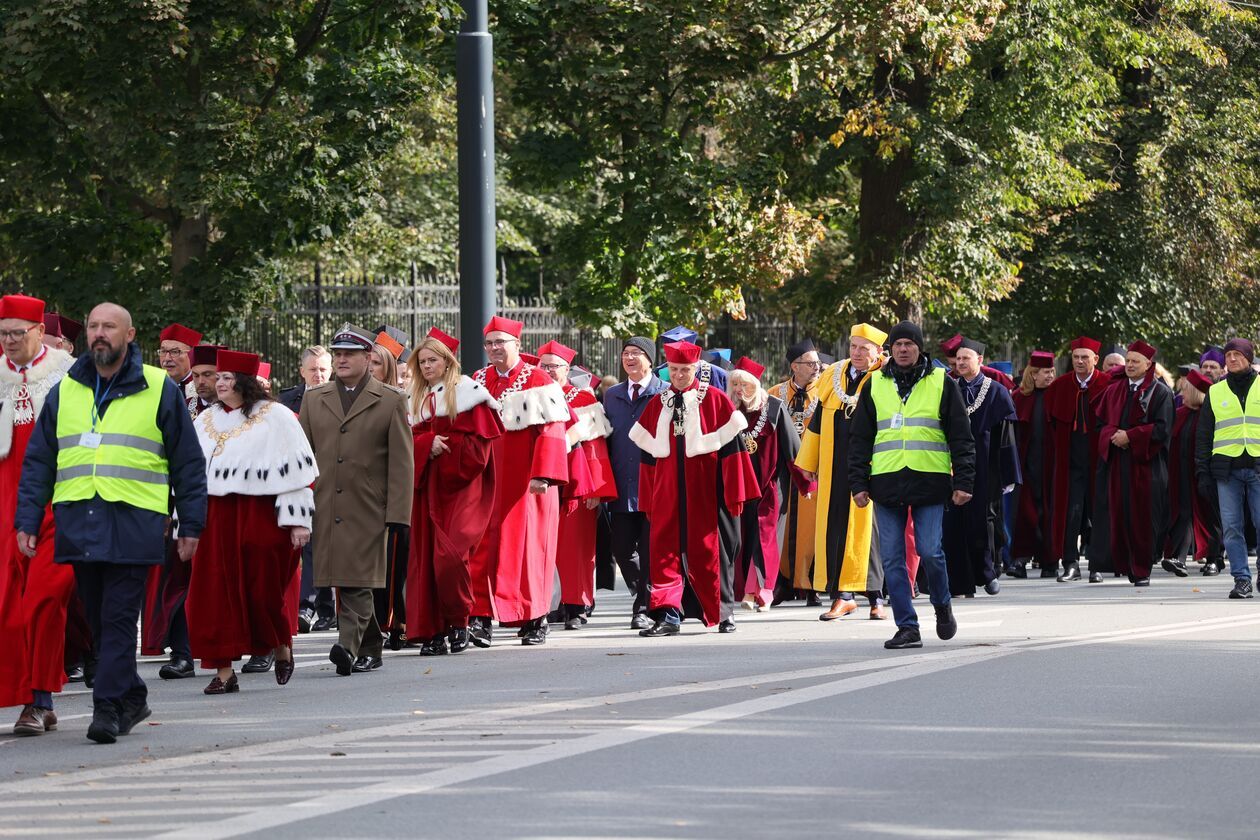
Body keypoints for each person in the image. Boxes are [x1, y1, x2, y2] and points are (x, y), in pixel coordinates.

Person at [16, 302, 206, 744]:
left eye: (109, 327)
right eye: (94, 326)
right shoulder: (66, 389)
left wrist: (191, 524)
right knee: (99, 622)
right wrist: (28, 519)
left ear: (130, 335)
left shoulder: (157, 387)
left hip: (135, 522)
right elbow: (40, 459)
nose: (100, 333)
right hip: (79, 522)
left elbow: (187, 462)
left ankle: (106, 707)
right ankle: (133, 697)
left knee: (119, 618)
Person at [185, 350, 315, 694]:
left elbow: (298, 472)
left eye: (227, 378)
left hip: (260, 513)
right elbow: (188, 473)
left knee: (262, 590)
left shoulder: (277, 416)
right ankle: (223, 672)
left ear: (244, 381)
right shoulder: (205, 419)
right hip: (214, 516)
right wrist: (184, 519)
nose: (220, 383)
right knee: (213, 592)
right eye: (218, 378)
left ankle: (281, 644)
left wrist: (298, 520)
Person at [848, 321, 975, 649]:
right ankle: (907, 627)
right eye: (898, 345)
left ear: (920, 348)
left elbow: (961, 436)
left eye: (909, 344)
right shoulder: (875, 383)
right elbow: (860, 438)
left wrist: (964, 480)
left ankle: (942, 605)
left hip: (929, 480)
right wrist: (858, 483)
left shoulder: (941, 382)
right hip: (886, 481)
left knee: (930, 551)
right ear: (890, 349)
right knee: (892, 558)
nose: (903, 349)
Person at [299, 324, 413, 674]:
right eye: (337, 354)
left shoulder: (391, 399)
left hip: (369, 505)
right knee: (344, 578)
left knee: (359, 578)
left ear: (368, 357)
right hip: (327, 503)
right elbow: (302, 456)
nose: (342, 360)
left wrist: (398, 514)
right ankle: (371, 646)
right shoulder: (314, 398)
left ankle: (346, 646)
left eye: (349, 354)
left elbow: (402, 462)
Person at [631, 340, 758, 636]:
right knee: (665, 555)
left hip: (710, 496)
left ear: (696, 369)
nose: (678, 375)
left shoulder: (716, 400)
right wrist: (647, 499)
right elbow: (647, 459)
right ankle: (668, 616)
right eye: (673, 370)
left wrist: (735, 494)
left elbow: (734, 453)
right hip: (667, 496)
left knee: (716, 555)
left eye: (684, 370)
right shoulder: (657, 404)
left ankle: (723, 613)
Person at [0, 295, 77, 736]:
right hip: (6, 505)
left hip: (60, 503)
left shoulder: (70, 376)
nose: (9, 341)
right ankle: (31, 697)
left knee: (44, 601)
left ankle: (39, 699)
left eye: (17, 333)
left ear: (39, 331)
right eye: (3, 333)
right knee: (9, 609)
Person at [468, 317, 569, 647]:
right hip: (486, 480)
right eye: (489, 343)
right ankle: (480, 617)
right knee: (481, 549)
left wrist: (543, 474)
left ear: (517, 345)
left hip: (527, 481)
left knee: (529, 550)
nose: (494, 348)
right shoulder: (478, 380)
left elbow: (552, 430)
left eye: (501, 342)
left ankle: (535, 617)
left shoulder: (538, 379)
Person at [406, 329, 502, 655]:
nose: (426, 366)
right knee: (426, 562)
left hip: (461, 489)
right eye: (422, 362)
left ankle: (460, 621)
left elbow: (478, 450)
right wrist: (425, 444)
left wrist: (438, 449)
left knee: (450, 557)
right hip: (426, 488)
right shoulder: (414, 398)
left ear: (447, 362)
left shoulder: (468, 393)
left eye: (432, 360)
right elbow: (405, 442)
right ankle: (435, 631)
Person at [796, 324, 890, 621]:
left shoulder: (887, 376)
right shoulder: (833, 374)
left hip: (873, 463)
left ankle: (876, 596)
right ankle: (842, 596)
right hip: (835, 461)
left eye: (864, 348)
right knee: (835, 525)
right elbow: (817, 420)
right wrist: (809, 462)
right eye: (853, 346)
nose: (857, 353)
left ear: (878, 351)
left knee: (870, 531)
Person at [536, 340, 616, 630]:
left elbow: (595, 447)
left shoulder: (581, 398)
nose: (548, 370)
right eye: (543, 365)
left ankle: (577, 605)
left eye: (553, 366)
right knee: (546, 547)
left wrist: (595, 489)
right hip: (544, 482)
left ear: (567, 369)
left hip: (577, 483)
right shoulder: (534, 395)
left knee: (577, 549)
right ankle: (553, 604)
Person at [142, 323, 204, 679]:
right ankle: (179, 649)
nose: (167, 358)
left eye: (175, 352)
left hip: (194, 493)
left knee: (191, 575)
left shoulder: (205, 394)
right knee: (169, 577)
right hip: (157, 494)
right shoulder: (151, 390)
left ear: (191, 355)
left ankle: (189, 650)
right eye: (163, 352)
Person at [728, 357, 808, 612]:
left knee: (764, 536)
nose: (739, 390)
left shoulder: (774, 408)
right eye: (735, 384)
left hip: (770, 485)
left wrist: (805, 482)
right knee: (743, 537)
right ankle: (747, 591)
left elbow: (793, 448)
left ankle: (758, 591)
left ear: (755, 384)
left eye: (744, 384)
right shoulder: (730, 410)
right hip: (740, 486)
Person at [943, 339, 1020, 597]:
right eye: (958, 359)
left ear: (980, 360)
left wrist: (1008, 474)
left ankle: (987, 573)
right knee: (954, 522)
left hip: (987, 465)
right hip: (953, 463)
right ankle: (959, 583)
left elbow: (1007, 438)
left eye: (966, 358)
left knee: (982, 521)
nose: (961, 363)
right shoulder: (948, 388)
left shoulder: (996, 391)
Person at [1096, 340, 1174, 586]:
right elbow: (1101, 424)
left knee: (1144, 518)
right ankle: (1126, 564)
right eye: (1128, 361)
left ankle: (1142, 569)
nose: (1129, 365)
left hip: (1148, 465)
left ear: (1148, 365)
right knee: (1120, 513)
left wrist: (1131, 436)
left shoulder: (1160, 392)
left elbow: (1163, 430)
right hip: (1119, 464)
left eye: (1135, 362)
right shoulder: (1114, 390)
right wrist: (1113, 435)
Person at [603, 337, 667, 629]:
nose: (629, 358)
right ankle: (648, 595)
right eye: (626, 353)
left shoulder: (664, 393)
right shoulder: (612, 395)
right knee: (621, 548)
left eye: (636, 353)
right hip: (622, 485)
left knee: (651, 551)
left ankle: (642, 608)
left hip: (654, 485)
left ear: (650, 360)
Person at [1042, 336, 1111, 583]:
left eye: (1085, 357)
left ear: (1096, 359)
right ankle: (1070, 563)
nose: (1080, 361)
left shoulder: (1108, 384)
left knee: (1099, 511)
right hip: (1069, 461)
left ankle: (1096, 565)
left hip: (1099, 460)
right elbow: (1050, 425)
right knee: (1070, 512)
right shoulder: (1060, 386)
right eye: (1076, 357)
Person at [1196, 338, 1260, 599]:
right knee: (1232, 528)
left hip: (1258, 466)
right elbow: (1204, 435)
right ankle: (1242, 579)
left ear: (1249, 357)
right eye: (1228, 355)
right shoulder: (1216, 392)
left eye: (1237, 354)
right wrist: (1202, 471)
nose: (1232, 359)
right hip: (1226, 471)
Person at [278, 346, 334, 633]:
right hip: (300, 479)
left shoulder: (342, 398)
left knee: (328, 543)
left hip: (332, 478)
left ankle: (325, 607)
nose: (318, 375)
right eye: (313, 369)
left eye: (323, 369)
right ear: (302, 371)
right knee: (308, 543)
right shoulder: (286, 401)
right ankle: (309, 606)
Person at [767, 339, 823, 606]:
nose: (817, 367)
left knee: (811, 528)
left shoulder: (825, 392)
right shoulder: (774, 394)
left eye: (817, 363)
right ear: (794, 366)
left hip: (814, 469)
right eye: (810, 363)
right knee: (783, 525)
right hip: (783, 470)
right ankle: (783, 582)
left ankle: (811, 584)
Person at [368, 335, 409, 650]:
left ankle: (397, 623)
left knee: (394, 562)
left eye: (376, 362)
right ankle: (370, 624)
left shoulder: (399, 399)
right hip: (360, 491)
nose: (369, 367)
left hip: (390, 491)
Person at [1164, 370, 1223, 576]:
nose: (1182, 395)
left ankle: (1214, 559)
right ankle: (1179, 558)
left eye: (1186, 391)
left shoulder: (1210, 415)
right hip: (1181, 475)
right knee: (1185, 515)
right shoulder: (1179, 414)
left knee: (1210, 516)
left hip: (1205, 473)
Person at [1009, 352, 1055, 577]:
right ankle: (1020, 559)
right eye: (1046, 372)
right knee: (1024, 513)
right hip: (1025, 464)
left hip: (1051, 464)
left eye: (1052, 372)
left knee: (1049, 512)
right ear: (1034, 374)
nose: (1051, 376)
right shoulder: (1019, 397)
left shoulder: (1056, 396)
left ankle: (1049, 561)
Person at [938, 333, 1015, 390]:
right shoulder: (946, 379)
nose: (959, 365)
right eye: (952, 365)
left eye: (964, 359)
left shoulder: (994, 375)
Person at [187, 345, 221, 417]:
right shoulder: (182, 408)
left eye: (207, 375)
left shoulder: (235, 407)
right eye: (196, 376)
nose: (200, 382)